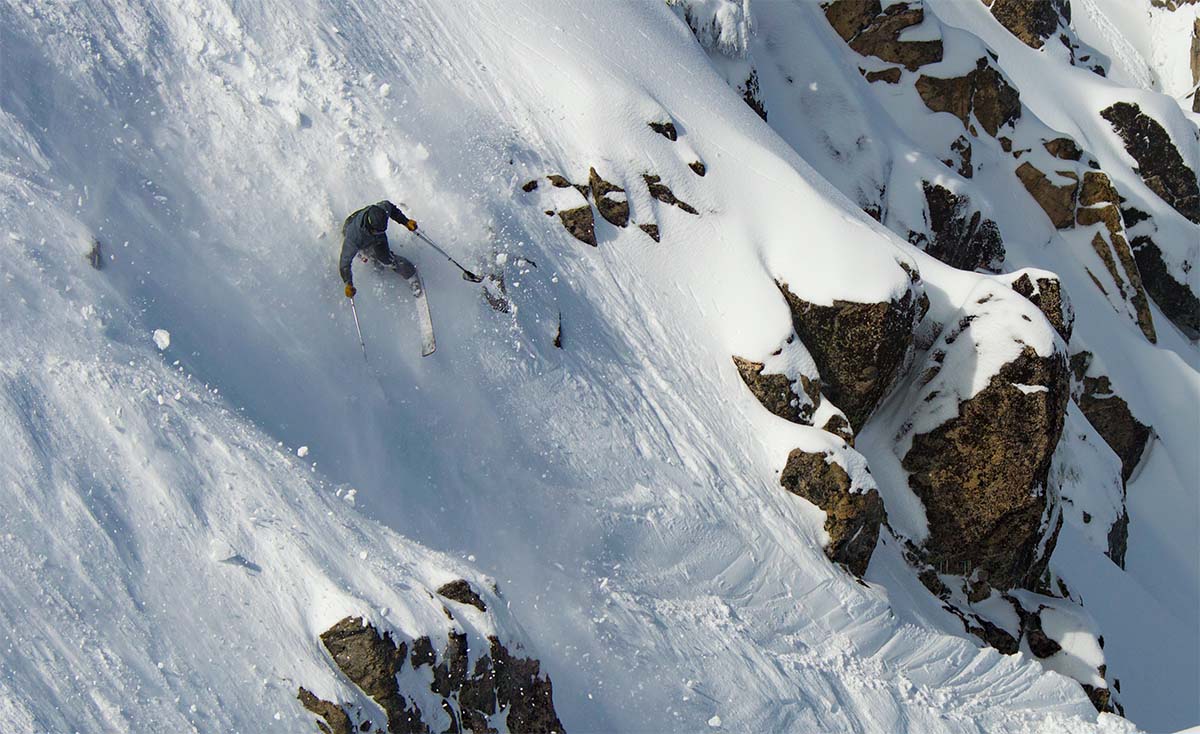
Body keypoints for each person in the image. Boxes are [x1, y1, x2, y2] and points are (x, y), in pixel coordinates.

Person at [339, 201, 419, 298]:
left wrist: (406, 221)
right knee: (369, 254)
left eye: (382, 230)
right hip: (358, 235)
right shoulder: (353, 238)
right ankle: (370, 258)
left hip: (375, 238)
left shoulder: (381, 211)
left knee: (386, 259)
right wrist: (348, 283)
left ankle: (411, 274)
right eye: (377, 231)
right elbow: (344, 263)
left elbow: (391, 208)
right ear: (370, 227)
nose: (379, 232)